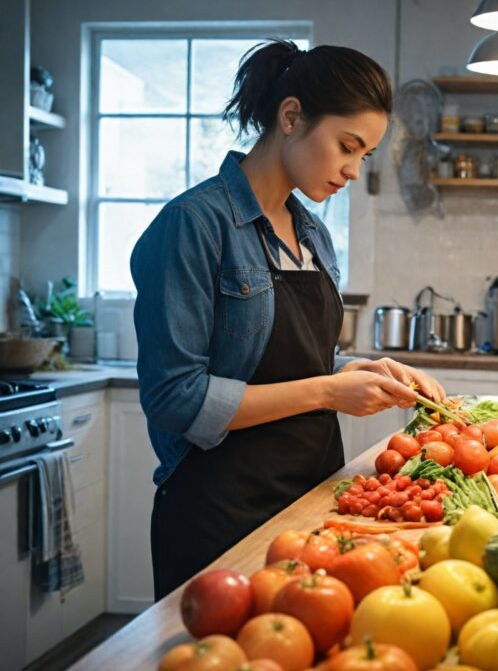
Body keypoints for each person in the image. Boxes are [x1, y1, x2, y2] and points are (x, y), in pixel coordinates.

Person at [131, 40, 446, 600]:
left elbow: (291, 361)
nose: (351, 171)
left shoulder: (313, 234)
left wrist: (364, 369)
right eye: (346, 147)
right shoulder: (192, 226)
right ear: (292, 116)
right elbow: (175, 399)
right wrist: (329, 390)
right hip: (217, 512)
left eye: (365, 156)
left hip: (311, 496)